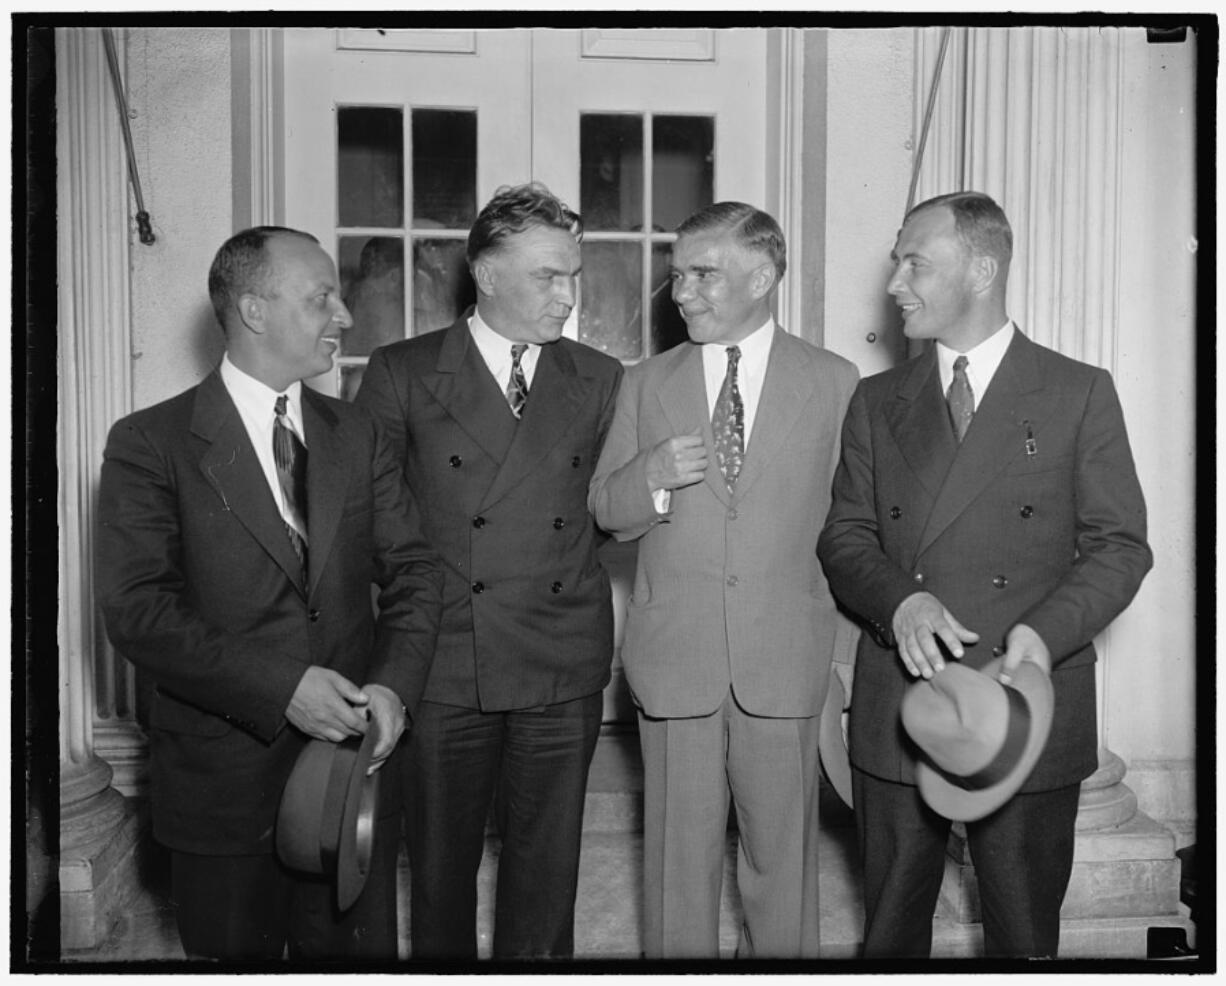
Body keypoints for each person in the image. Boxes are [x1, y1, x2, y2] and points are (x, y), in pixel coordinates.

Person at [817, 191, 1152, 958]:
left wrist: (1041, 634)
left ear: (982, 269)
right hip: (904, 700)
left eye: (915, 262)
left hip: (1027, 703)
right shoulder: (876, 401)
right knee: (891, 934)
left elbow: (1121, 547)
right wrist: (899, 603)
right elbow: (845, 537)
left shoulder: (1078, 392)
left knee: (1022, 935)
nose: (896, 282)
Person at [96, 226, 444, 961]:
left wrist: (391, 689)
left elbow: (414, 571)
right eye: (322, 298)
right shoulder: (149, 442)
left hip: (354, 774)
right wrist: (283, 688)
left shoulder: (359, 434)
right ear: (254, 310)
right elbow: (139, 611)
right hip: (222, 792)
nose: (344, 317)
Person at [355, 183, 624, 960]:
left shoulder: (600, 377)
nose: (568, 297)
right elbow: (376, 521)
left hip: (559, 654)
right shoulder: (402, 372)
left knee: (548, 870)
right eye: (548, 277)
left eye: (573, 276)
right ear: (487, 273)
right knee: (441, 866)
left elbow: (608, 510)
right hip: (444, 656)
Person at [588, 202, 859, 958]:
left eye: (702, 274)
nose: (681, 293)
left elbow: (853, 533)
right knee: (678, 865)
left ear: (763, 275)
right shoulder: (646, 383)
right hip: (677, 659)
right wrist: (651, 476)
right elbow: (606, 511)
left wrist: (842, 658)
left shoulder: (835, 381)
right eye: (677, 276)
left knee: (784, 863)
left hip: (787, 658)